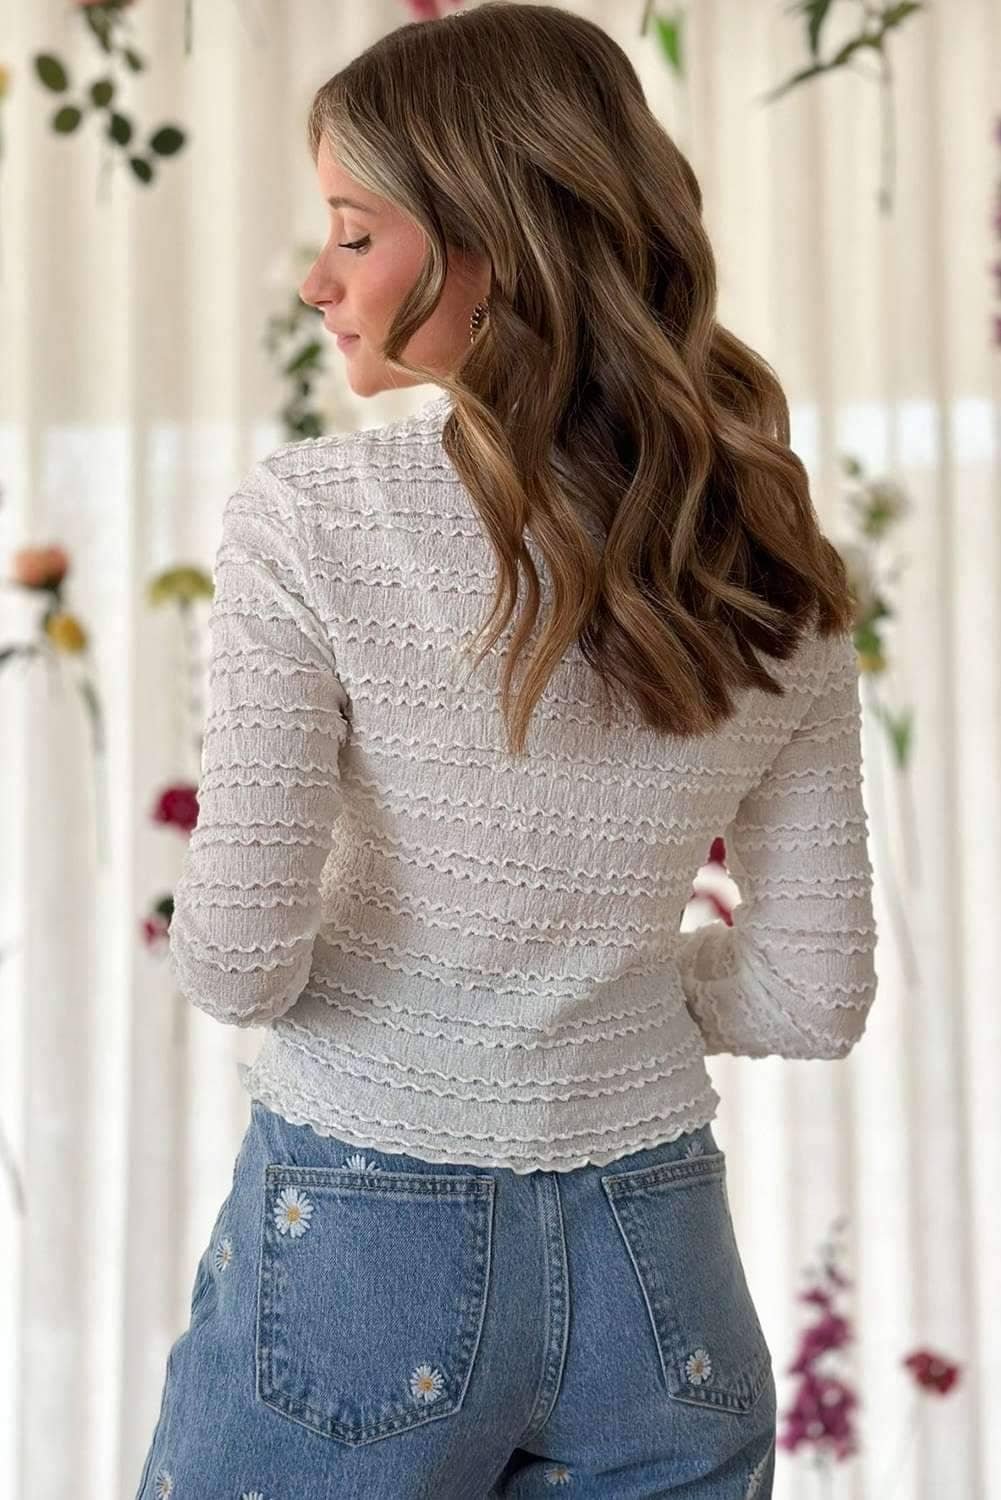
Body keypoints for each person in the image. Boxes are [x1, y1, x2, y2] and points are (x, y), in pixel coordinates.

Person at [134, 3, 877, 1496]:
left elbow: (237, 964)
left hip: (362, 1246)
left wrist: (472, 983)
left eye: (355, 232)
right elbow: (812, 996)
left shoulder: (313, 520)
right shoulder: (777, 567)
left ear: (495, 245)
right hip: (661, 1270)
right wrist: (596, 982)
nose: (317, 278)